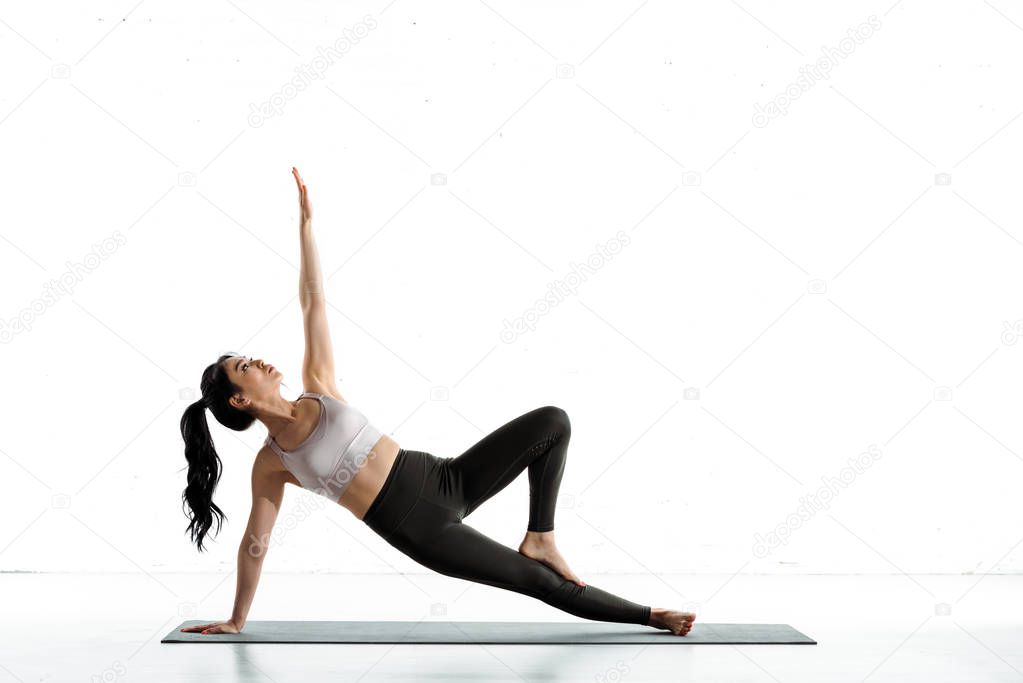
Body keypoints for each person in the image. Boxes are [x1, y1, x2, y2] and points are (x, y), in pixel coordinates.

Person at [177, 168, 695, 637]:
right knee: (535, 582)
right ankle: (649, 616)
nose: (260, 361)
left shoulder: (319, 383)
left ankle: (541, 534)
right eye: (246, 367)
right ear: (241, 400)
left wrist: (306, 227)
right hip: (420, 529)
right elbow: (255, 542)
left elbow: (313, 298)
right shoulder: (273, 463)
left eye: (250, 356)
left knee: (552, 423)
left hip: (442, 476)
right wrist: (237, 619)